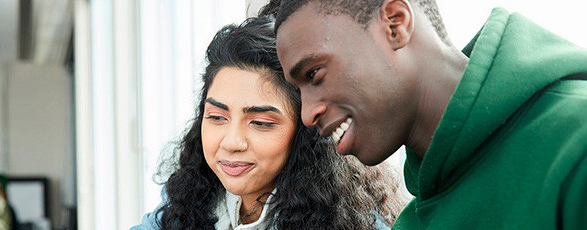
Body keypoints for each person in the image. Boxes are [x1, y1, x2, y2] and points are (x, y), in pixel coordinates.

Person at [270, 0, 587, 229]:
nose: (308, 115)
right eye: (298, 91)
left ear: (395, 23)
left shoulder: (579, 142)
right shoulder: (411, 222)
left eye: (314, 74)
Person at [131, 15, 406, 230]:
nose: (231, 142)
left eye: (261, 123)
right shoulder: (188, 198)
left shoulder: (353, 221)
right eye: (216, 117)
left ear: (306, 132)